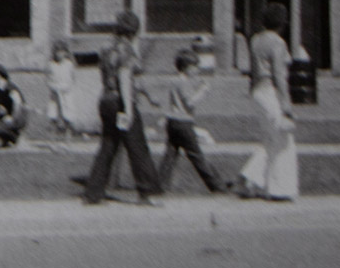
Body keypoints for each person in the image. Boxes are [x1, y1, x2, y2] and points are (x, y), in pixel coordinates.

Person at [82, 11, 162, 206]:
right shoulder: (127, 50)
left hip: (106, 99)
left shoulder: (106, 48)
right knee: (137, 147)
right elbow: (125, 78)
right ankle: (146, 192)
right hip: (121, 101)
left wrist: (149, 97)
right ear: (134, 31)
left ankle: (94, 193)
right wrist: (128, 109)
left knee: (108, 146)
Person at [236, 3, 298, 202]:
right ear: (283, 22)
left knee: (270, 139)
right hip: (271, 90)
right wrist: (286, 103)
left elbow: (253, 70)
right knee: (283, 141)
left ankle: (250, 177)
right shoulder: (278, 43)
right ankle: (279, 189)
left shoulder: (255, 40)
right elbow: (279, 75)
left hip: (258, 91)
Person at [154, 50, 229, 195]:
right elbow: (190, 102)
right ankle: (217, 186)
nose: (197, 70)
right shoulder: (183, 82)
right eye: (194, 67)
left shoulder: (175, 80)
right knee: (196, 155)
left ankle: (159, 185)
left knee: (170, 156)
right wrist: (203, 90)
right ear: (185, 67)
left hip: (173, 121)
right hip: (184, 122)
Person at [0, 64, 28, 147]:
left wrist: (12, 117)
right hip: (8, 114)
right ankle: (2, 140)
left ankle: (15, 138)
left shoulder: (10, 88)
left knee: (1, 128)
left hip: (19, 115)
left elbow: (18, 104)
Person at [46, 41, 77, 137]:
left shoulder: (69, 64)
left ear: (66, 53)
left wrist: (68, 86)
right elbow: (48, 78)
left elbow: (72, 78)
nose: (59, 54)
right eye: (57, 52)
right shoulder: (51, 64)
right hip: (54, 91)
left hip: (66, 91)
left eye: (61, 52)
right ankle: (53, 136)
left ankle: (68, 135)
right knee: (53, 112)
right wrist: (52, 87)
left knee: (67, 112)